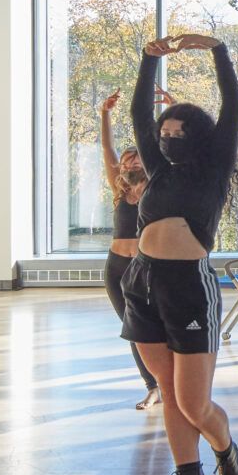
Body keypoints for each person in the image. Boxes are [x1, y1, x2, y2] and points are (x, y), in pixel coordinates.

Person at [125, 32, 238, 475]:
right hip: (143, 284)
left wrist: (216, 50)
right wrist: (148, 61)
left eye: (177, 132)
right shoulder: (156, 169)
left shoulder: (214, 168)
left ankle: (224, 448)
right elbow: (137, 111)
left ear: (195, 136)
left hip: (189, 288)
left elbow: (233, 103)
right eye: (164, 131)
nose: (168, 137)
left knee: (195, 403)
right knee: (171, 398)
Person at [95, 91, 163, 410]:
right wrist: (105, 113)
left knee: (151, 327)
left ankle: (164, 382)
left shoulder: (154, 188)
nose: (127, 161)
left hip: (144, 267)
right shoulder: (119, 191)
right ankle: (153, 387)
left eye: (134, 158)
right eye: (125, 160)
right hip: (116, 267)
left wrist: (171, 107)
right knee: (131, 328)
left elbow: (166, 153)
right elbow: (107, 148)